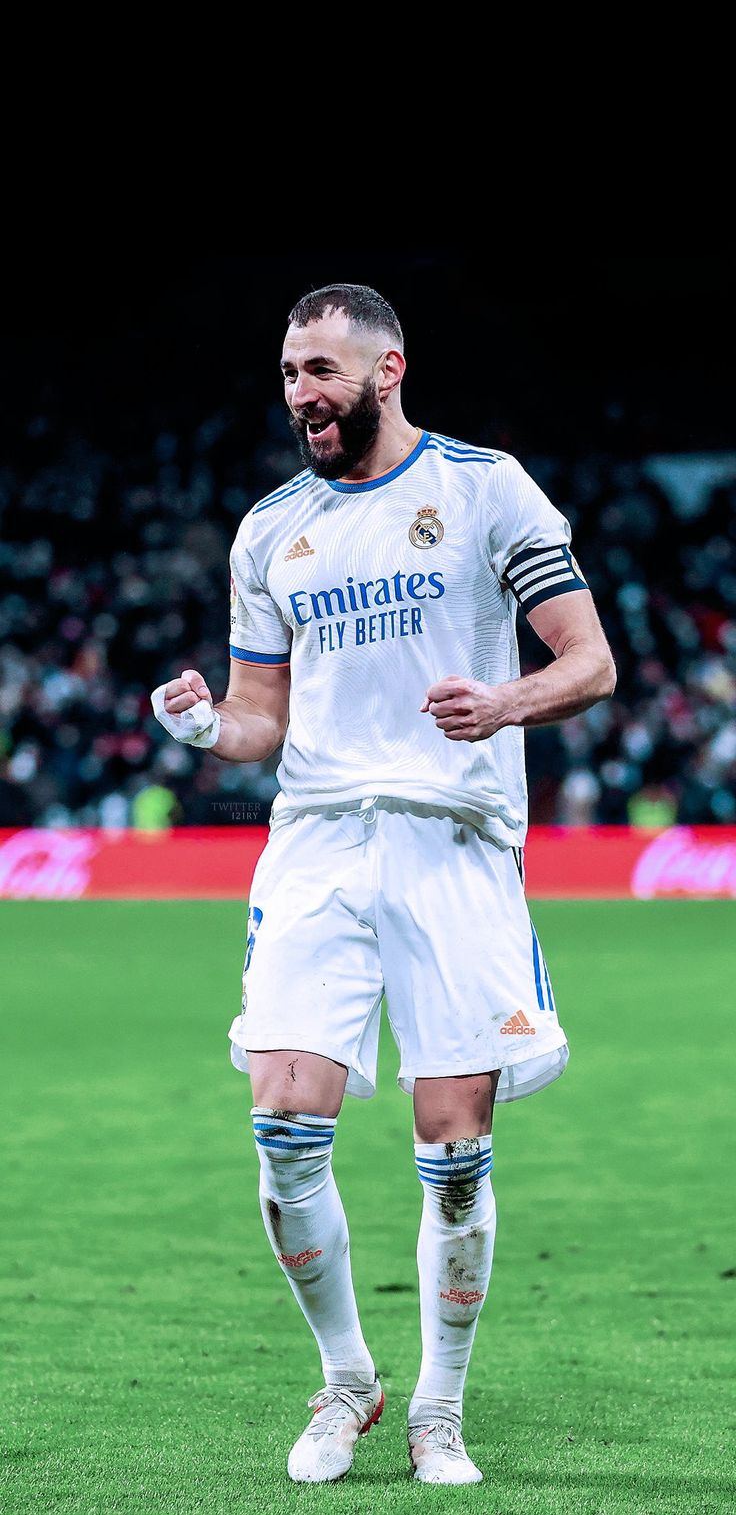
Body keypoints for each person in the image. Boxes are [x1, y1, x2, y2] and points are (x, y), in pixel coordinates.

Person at [151, 283, 616, 1487]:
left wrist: (503, 700)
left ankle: (438, 1409)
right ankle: (349, 1378)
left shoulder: (483, 487)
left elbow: (589, 661)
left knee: (452, 1147)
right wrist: (208, 729)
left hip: (451, 842)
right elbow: (263, 720)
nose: (301, 392)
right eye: (290, 373)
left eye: (320, 369)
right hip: (316, 842)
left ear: (387, 368)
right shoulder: (271, 531)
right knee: (283, 1127)